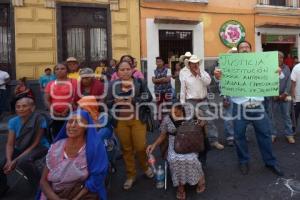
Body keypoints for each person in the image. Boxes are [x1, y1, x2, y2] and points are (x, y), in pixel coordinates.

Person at [214, 41, 284, 176]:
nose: (244, 49)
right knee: (239, 137)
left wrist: (278, 72)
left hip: (258, 107)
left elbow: (278, 77)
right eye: (242, 48)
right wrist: (217, 77)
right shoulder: (230, 65)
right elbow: (221, 81)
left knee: (265, 135)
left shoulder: (260, 63)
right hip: (239, 107)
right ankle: (243, 161)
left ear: (250, 50)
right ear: (238, 51)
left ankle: (271, 162)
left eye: (247, 47)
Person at [39, 110, 109, 200]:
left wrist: (75, 198)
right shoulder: (56, 147)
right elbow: (43, 181)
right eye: (70, 121)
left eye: (79, 122)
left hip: (80, 194)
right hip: (54, 194)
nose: (72, 125)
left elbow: (96, 179)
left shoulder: (93, 149)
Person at [106, 60, 154, 190]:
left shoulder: (139, 82)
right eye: (122, 69)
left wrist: (132, 100)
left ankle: (145, 167)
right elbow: (107, 103)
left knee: (140, 146)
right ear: (117, 72)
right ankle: (131, 175)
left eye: (128, 69)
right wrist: (115, 101)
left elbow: (148, 97)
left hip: (138, 119)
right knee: (126, 149)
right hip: (121, 121)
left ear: (132, 70)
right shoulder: (113, 84)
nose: (125, 71)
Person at [147, 104, 205, 200]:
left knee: (191, 158)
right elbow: (162, 135)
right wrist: (153, 145)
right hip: (174, 143)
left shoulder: (190, 113)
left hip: (189, 141)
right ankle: (180, 186)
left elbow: (203, 122)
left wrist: (201, 121)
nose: (172, 113)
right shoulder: (167, 119)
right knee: (173, 159)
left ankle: (201, 179)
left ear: (181, 109)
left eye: (175, 111)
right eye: (171, 111)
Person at [0, 96, 49, 197]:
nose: (20, 109)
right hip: (20, 147)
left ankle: (38, 187)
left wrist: (15, 160)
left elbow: (36, 143)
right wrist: (9, 160)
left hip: (39, 146)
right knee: (2, 164)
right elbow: (10, 144)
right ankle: (2, 188)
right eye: (18, 107)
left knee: (24, 161)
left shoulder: (39, 119)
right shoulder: (13, 121)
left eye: (24, 106)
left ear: (32, 108)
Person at [180, 55, 224, 150]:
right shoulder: (185, 75)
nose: (195, 65)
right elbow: (183, 90)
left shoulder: (203, 73)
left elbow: (208, 83)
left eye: (196, 63)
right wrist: (183, 104)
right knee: (190, 122)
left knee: (210, 120)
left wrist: (199, 74)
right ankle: (191, 141)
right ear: (189, 64)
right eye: (193, 63)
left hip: (203, 101)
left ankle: (214, 141)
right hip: (190, 102)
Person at [44, 63, 78, 138]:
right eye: (57, 69)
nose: (60, 71)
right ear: (54, 72)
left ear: (67, 71)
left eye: (62, 69)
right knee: (58, 134)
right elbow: (46, 100)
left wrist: (66, 110)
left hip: (70, 113)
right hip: (55, 115)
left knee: (71, 134)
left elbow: (75, 97)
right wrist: (53, 111)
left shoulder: (74, 82)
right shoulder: (50, 84)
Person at [269, 51, 294, 144]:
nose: (279, 59)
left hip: (284, 96)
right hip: (273, 97)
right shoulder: (270, 68)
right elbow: (267, 81)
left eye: (281, 57)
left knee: (286, 116)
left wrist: (285, 93)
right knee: (271, 116)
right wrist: (273, 93)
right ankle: (272, 134)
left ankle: (289, 135)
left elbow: (289, 82)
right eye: (277, 57)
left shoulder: (287, 68)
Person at [291, 62, 300, 130]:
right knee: (294, 115)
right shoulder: (296, 68)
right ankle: (293, 129)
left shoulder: (296, 67)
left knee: (295, 115)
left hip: (297, 97)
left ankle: (293, 129)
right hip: (297, 96)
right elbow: (293, 82)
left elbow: (292, 82)